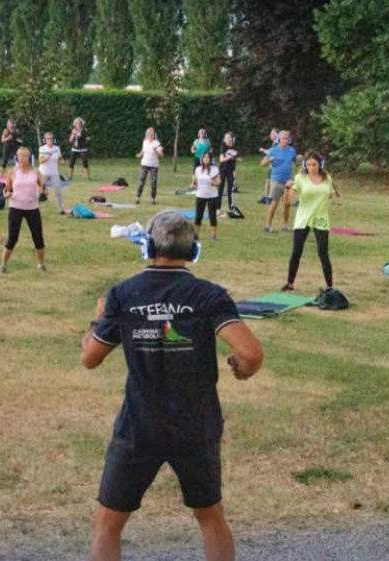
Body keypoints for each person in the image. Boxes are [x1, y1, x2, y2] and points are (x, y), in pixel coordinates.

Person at [80, 210, 264, 561]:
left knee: (108, 524)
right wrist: (242, 370)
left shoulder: (124, 294)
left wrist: (97, 320)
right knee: (210, 516)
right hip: (196, 424)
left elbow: (89, 358)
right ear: (193, 251)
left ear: (149, 247)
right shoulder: (208, 295)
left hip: (139, 425)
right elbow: (251, 353)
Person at [282, 151, 337, 292]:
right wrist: (287, 188)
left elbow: (330, 195)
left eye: (314, 164)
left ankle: (330, 286)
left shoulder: (326, 178)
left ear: (320, 165)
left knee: (323, 253)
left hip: (321, 218)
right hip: (303, 218)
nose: (311, 167)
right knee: (296, 251)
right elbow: (289, 200)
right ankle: (290, 283)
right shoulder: (300, 178)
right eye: (309, 165)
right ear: (304, 165)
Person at [0, 147, 48, 274]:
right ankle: (3, 264)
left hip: (32, 208)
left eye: (25, 156)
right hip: (16, 207)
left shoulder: (36, 172)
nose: (22, 159)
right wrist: (6, 194)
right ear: (16, 157)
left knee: (38, 237)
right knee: (12, 238)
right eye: (20, 156)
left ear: (29, 158)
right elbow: (6, 189)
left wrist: (43, 191)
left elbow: (44, 187)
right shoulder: (12, 172)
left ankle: (41, 264)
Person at [261, 129, 298, 232]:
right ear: (279, 139)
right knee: (274, 203)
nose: (285, 140)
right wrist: (269, 160)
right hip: (276, 180)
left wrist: (301, 159)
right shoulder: (273, 150)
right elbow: (262, 163)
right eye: (283, 138)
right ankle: (268, 225)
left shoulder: (291, 150)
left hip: (288, 181)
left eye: (287, 138)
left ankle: (285, 225)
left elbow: (295, 161)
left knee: (287, 204)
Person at [193, 152, 222, 241]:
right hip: (200, 195)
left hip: (212, 195)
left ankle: (213, 235)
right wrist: (194, 185)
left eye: (208, 157)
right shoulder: (198, 169)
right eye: (204, 157)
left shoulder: (214, 170)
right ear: (202, 159)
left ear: (210, 159)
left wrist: (213, 183)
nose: (206, 159)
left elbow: (219, 182)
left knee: (212, 216)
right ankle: (196, 235)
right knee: (198, 215)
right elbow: (195, 181)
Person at [38, 132, 66, 214]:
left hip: (54, 172)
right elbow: (40, 161)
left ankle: (61, 209)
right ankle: (36, 209)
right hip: (43, 172)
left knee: (58, 191)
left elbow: (60, 158)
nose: (50, 140)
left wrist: (62, 161)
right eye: (48, 138)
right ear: (45, 140)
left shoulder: (57, 148)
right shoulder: (42, 149)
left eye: (51, 138)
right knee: (40, 192)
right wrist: (48, 156)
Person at [135, 128, 163, 205]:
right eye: (149, 134)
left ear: (154, 135)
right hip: (144, 164)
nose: (150, 136)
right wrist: (140, 155)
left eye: (152, 134)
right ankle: (137, 198)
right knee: (141, 181)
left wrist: (156, 151)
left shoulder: (157, 144)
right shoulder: (145, 142)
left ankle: (153, 199)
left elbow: (161, 155)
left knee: (153, 182)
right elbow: (143, 151)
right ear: (146, 135)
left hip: (154, 165)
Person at [217, 132, 239, 212]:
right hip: (223, 169)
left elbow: (238, 158)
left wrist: (236, 158)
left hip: (231, 170)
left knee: (230, 189)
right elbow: (221, 159)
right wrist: (230, 156)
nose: (227, 139)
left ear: (232, 139)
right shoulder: (223, 146)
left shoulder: (235, 147)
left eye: (228, 137)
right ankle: (218, 208)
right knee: (221, 188)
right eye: (226, 138)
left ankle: (231, 207)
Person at [258, 128, 278, 198]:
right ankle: (267, 196)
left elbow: (271, 152)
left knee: (270, 181)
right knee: (268, 181)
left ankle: (268, 196)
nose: (270, 135)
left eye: (272, 133)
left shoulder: (277, 144)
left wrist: (263, 151)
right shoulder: (274, 143)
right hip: (272, 165)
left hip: (275, 166)